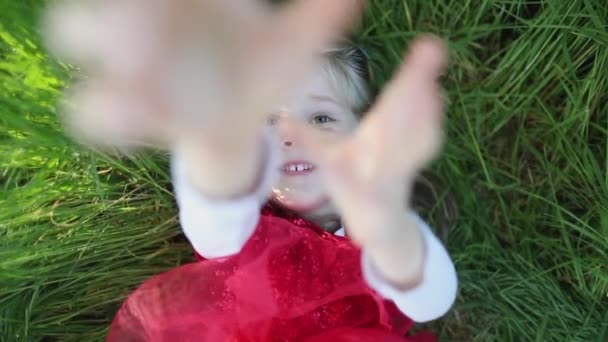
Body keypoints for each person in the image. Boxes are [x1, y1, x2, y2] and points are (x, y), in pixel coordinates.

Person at [44, 0, 457, 340]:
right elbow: (214, 213)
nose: (290, 135)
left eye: (322, 119)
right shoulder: (245, 229)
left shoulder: (374, 228)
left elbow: (430, 299)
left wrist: (388, 230)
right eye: (266, 120)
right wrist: (212, 142)